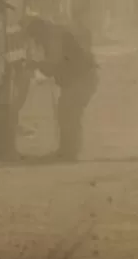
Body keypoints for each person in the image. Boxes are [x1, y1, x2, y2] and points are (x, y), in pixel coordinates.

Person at [24, 18, 99, 161]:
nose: (36, 40)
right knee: (67, 114)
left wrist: (35, 65)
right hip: (79, 79)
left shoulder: (54, 36)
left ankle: (69, 152)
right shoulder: (57, 33)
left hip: (82, 78)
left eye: (36, 36)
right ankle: (68, 150)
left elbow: (53, 64)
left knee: (69, 114)